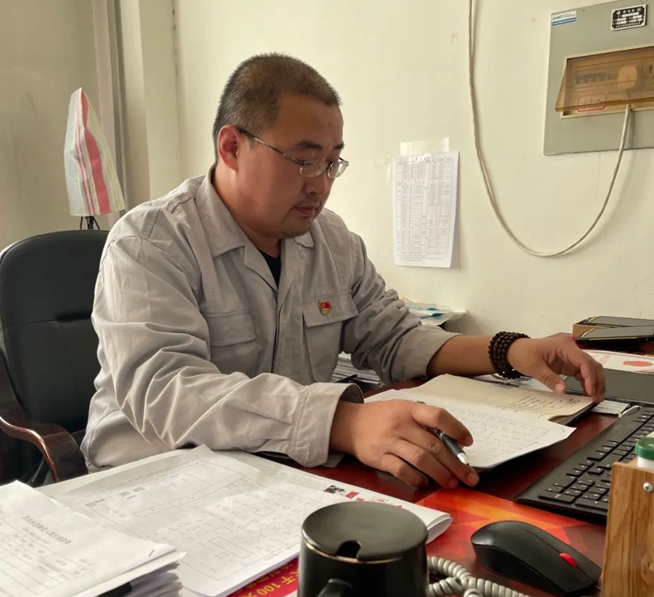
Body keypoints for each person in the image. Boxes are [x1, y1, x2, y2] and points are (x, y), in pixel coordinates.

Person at [81, 53, 605, 489]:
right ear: (232, 147)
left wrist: (510, 351)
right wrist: (343, 421)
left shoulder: (329, 240)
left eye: (332, 162)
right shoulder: (150, 242)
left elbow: (396, 339)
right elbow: (166, 392)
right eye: (304, 160)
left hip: (277, 473)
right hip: (150, 485)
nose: (321, 184)